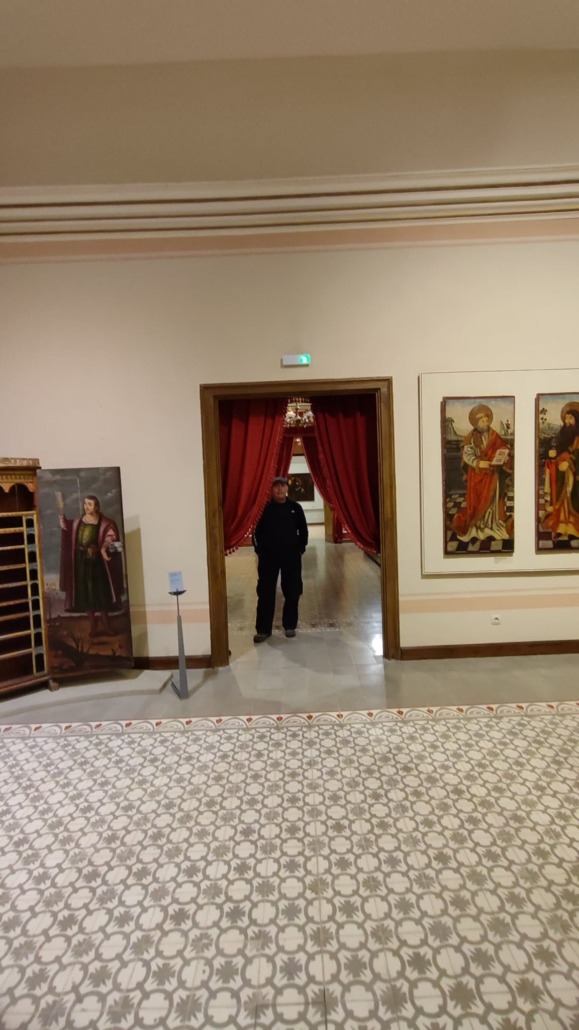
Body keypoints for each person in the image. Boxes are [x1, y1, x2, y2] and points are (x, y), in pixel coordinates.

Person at [252, 476, 308, 642]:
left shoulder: (295, 508)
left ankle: (290, 626)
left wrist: (300, 550)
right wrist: (260, 551)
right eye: (276, 486)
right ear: (272, 489)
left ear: (286, 488)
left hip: (291, 558)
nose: (280, 489)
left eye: (282, 486)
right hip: (268, 558)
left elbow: (303, 531)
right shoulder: (264, 509)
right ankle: (263, 630)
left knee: (292, 592)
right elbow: (256, 532)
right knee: (265, 593)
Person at [59, 495, 124, 636]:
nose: (86, 507)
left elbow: (113, 539)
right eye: (85, 504)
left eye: (89, 504)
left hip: (98, 565)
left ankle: (106, 624)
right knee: (86, 594)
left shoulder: (106, 523)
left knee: (101, 593)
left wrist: (103, 548)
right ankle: (93, 625)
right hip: (81, 563)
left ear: (96, 507)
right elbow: (67, 528)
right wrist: (62, 517)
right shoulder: (77, 522)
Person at [451, 404, 513, 544]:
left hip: (493, 475)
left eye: (486, 420)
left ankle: (491, 525)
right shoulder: (471, 437)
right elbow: (467, 455)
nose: (485, 423)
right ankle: (478, 525)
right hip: (477, 476)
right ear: (476, 423)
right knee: (479, 501)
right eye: (482, 421)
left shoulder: (494, 435)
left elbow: (502, 447)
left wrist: (505, 456)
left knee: (492, 501)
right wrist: (479, 463)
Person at [542, 405, 579, 539]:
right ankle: (560, 525)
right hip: (560, 473)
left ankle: (574, 528)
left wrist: (569, 462)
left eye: (571, 418)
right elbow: (553, 448)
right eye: (566, 418)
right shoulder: (561, 435)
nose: (567, 421)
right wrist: (551, 453)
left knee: (571, 497)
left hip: (574, 474)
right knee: (560, 499)